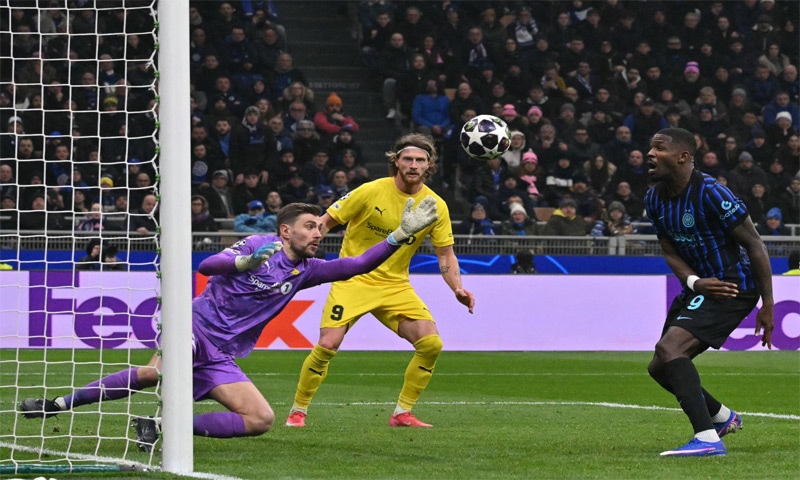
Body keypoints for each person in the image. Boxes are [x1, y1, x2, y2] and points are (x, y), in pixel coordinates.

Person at [19, 200, 440, 448]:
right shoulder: (261, 244)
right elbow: (208, 265)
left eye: (320, 227)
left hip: (221, 351)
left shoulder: (308, 269)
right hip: (193, 325)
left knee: (260, 419)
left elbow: (356, 264)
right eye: (310, 227)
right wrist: (243, 261)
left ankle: (160, 427)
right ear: (285, 229)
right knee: (159, 372)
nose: (318, 233)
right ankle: (58, 405)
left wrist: (401, 233)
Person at [286, 133, 475, 429]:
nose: (414, 165)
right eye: (408, 159)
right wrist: (296, 246)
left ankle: (402, 413)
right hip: (352, 278)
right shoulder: (370, 191)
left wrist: (457, 288)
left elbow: (446, 254)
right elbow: (326, 220)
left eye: (420, 160)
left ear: (429, 165)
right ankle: (298, 411)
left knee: (431, 344)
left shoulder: (435, 206)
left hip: (395, 285)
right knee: (327, 344)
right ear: (396, 161)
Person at [643, 128, 774, 457]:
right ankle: (720, 417)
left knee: (671, 349)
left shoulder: (712, 193)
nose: (650, 153)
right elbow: (670, 251)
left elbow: (755, 244)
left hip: (733, 285)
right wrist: (694, 283)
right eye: (650, 148)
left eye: (660, 148)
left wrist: (767, 303)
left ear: (684, 157)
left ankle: (707, 440)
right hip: (703, 285)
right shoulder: (653, 197)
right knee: (660, 366)